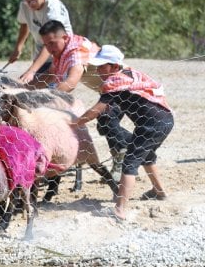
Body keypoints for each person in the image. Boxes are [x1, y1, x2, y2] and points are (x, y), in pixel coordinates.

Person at [74, 45, 173, 221]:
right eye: (97, 66)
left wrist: (75, 122)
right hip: (165, 119)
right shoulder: (129, 73)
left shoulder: (113, 82)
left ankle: (119, 210)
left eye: (102, 66)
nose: (98, 70)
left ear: (114, 66)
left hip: (152, 125)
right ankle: (159, 191)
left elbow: (97, 109)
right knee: (146, 155)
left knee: (130, 162)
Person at [10, 0, 73, 83]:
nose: (31, 4)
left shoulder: (53, 10)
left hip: (60, 55)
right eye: (27, 0)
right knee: (27, 86)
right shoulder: (25, 5)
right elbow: (24, 24)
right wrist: (18, 48)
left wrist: (31, 71)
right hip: (42, 55)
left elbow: (51, 44)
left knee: (48, 93)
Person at [24, 19, 104, 94]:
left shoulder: (76, 51)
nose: (49, 49)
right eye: (46, 45)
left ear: (65, 38)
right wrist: (24, 89)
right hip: (106, 92)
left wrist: (46, 96)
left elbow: (70, 83)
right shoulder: (61, 51)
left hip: (114, 90)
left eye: (52, 43)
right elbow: (50, 75)